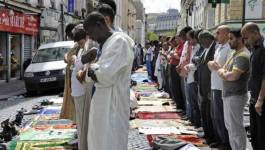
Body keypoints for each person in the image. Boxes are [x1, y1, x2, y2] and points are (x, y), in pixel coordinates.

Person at [83, 12, 134, 150]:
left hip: (113, 107)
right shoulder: (105, 44)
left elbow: (106, 75)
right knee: (98, 142)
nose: (90, 37)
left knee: (111, 143)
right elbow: (93, 74)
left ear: (99, 25)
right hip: (102, 104)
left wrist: (92, 68)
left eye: (90, 32)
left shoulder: (120, 42)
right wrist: (93, 69)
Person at [217, 28, 250, 150]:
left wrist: (222, 72)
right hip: (228, 94)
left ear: (240, 39)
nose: (229, 41)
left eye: (231, 38)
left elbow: (232, 76)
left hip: (236, 96)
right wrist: (223, 72)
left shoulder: (243, 55)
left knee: (236, 129)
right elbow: (223, 70)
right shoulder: (233, 53)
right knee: (230, 127)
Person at [241, 22, 265, 150]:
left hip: (261, 99)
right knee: (254, 134)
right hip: (254, 97)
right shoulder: (254, 48)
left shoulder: (263, 48)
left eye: (246, 37)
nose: (244, 40)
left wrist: (260, 100)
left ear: (255, 33)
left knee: (261, 135)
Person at [207, 25, 231, 149]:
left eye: (218, 33)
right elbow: (214, 64)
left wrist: (215, 65)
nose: (216, 35)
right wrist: (212, 64)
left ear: (227, 34)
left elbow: (226, 67)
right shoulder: (218, 47)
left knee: (222, 116)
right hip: (214, 84)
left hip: (222, 86)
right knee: (215, 115)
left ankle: (225, 142)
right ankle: (219, 138)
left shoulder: (229, 48)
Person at [70, 25, 91, 150]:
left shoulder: (87, 49)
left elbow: (82, 68)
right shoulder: (80, 49)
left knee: (83, 123)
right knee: (80, 123)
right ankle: (82, 144)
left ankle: (84, 146)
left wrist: (75, 61)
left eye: (80, 41)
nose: (79, 44)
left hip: (82, 91)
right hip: (77, 92)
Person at [197, 30, 217, 146]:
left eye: (202, 40)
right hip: (203, 85)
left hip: (209, 86)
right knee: (204, 111)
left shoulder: (214, 48)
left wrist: (209, 88)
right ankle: (207, 132)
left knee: (210, 114)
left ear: (207, 39)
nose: (201, 43)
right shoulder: (206, 48)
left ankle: (212, 136)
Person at [60, 23, 77, 122]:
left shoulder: (80, 44)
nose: (70, 38)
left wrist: (67, 57)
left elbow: (72, 59)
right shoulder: (76, 45)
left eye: (70, 35)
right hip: (71, 79)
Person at [184, 30, 202, 128]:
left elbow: (197, 64)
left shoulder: (199, 48)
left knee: (195, 102)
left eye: (190, 39)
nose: (188, 41)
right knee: (191, 101)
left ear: (195, 38)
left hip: (194, 78)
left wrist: (189, 66)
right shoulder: (193, 47)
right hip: (190, 76)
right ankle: (193, 120)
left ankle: (197, 122)